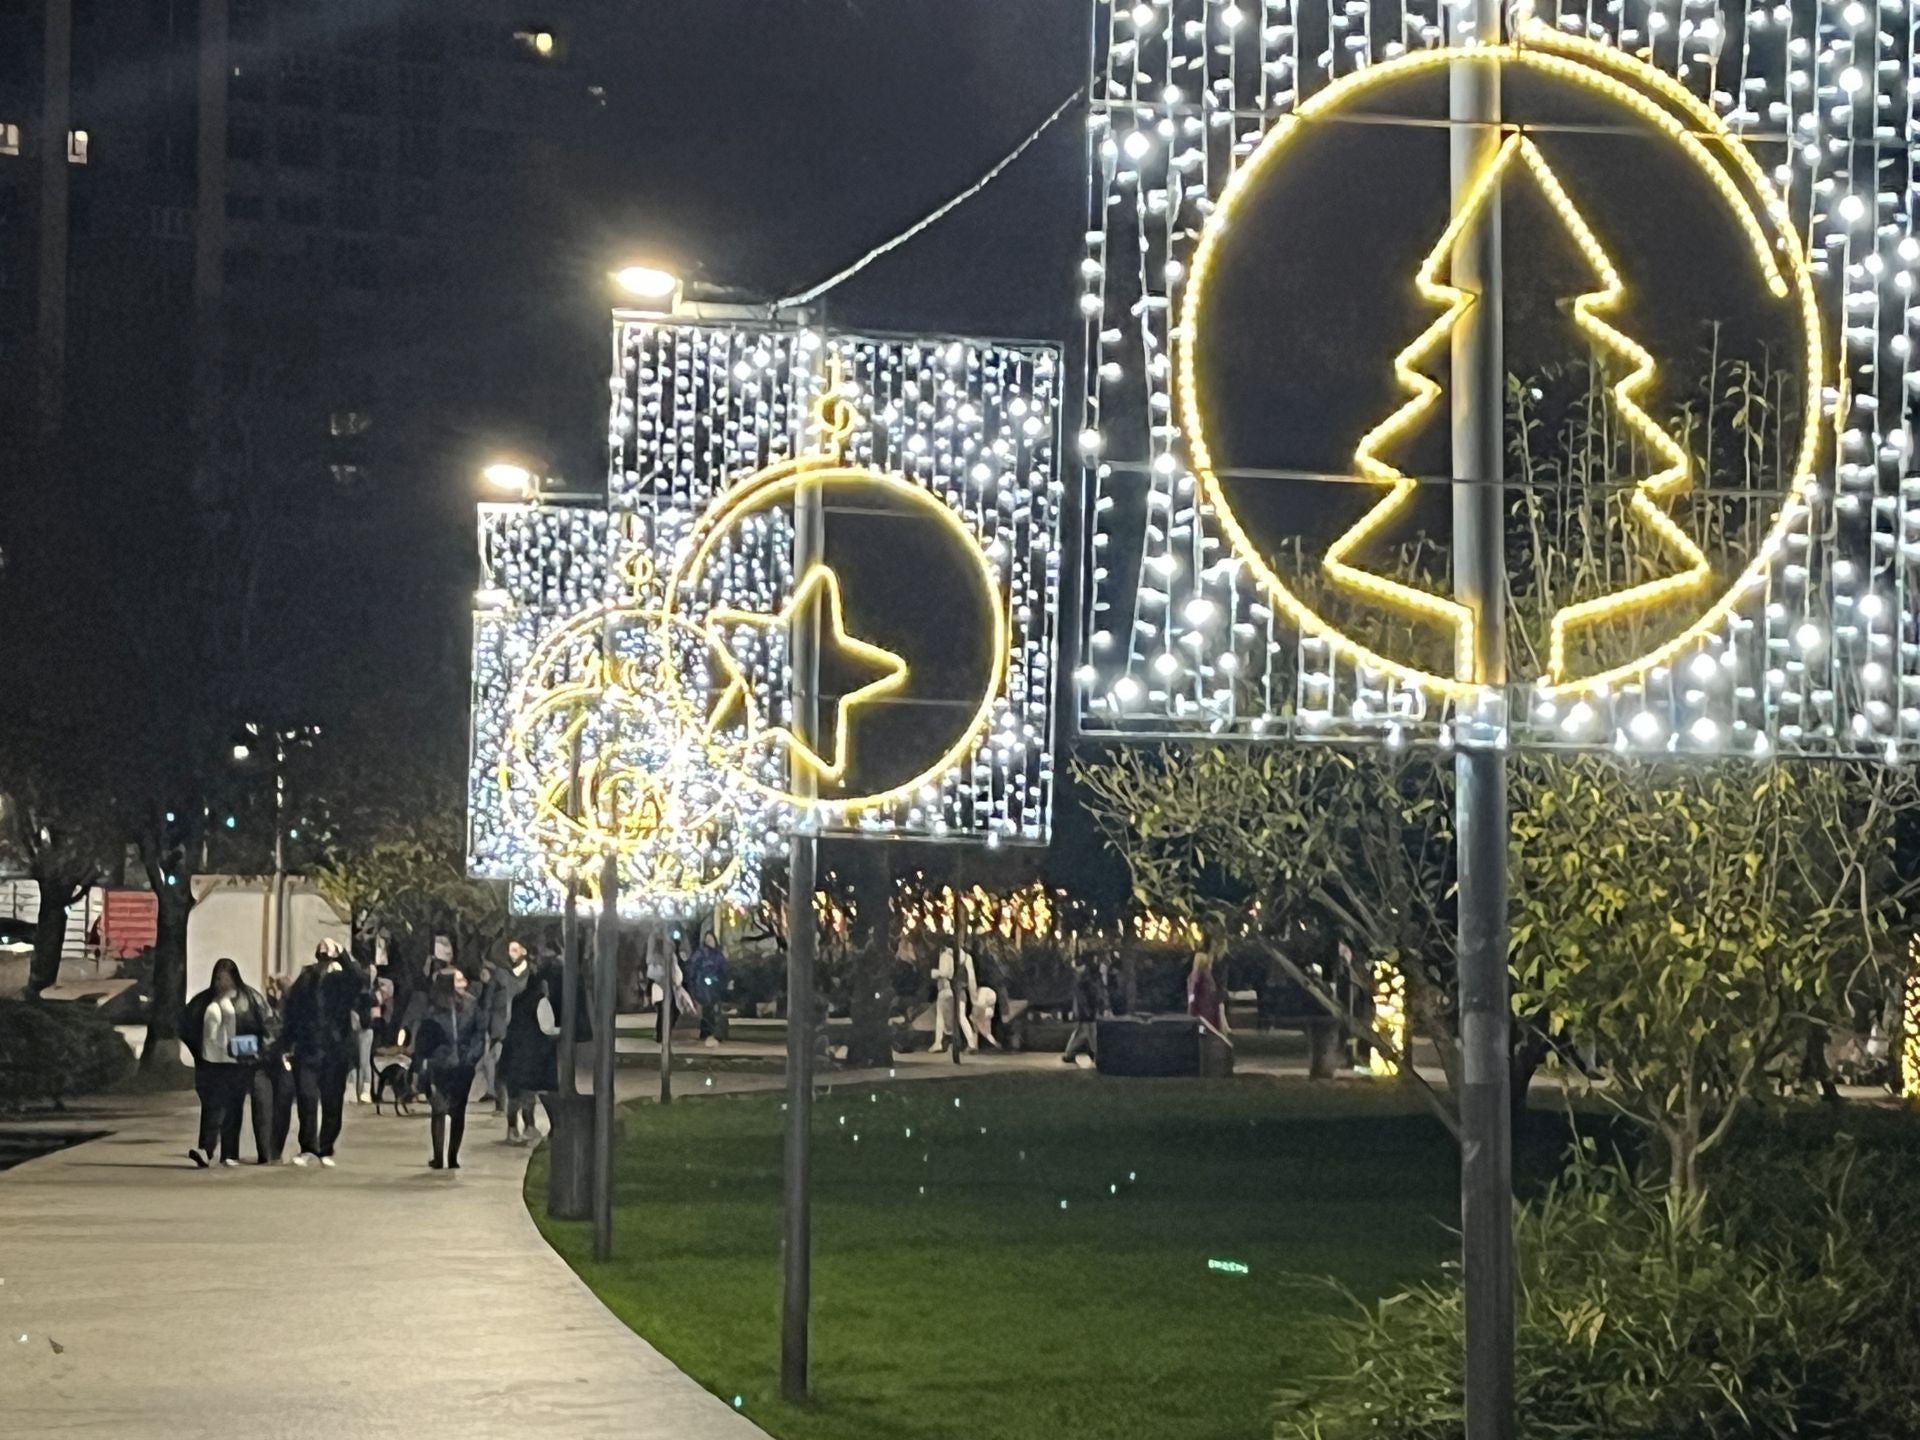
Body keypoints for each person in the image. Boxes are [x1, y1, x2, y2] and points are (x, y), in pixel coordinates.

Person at [282, 939, 367, 1167]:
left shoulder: (341, 981)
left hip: (335, 1051)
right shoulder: (306, 979)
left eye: (327, 957)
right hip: (308, 1049)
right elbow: (291, 1012)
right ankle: (308, 1147)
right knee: (307, 1098)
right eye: (321, 956)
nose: (324, 961)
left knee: (332, 1102)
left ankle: (325, 1147)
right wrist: (285, 1045)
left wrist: (342, 954)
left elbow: (360, 979)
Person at [180, 958, 269, 1168]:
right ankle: (206, 1149)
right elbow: (185, 1024)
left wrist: (258, 1051)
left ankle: (228, 1153)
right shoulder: (204, 1001)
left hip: (237, 1062)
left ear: (234, 977)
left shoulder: (250, 997)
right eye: (218, 978)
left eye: (225, 977)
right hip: (210, 1062)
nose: (220, 982)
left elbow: (268, 1024)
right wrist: (197, 1050)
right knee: (213, 1106)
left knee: (232, 1106)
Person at [411, 968, 488, 1170]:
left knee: (458, 1110)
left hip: (463, 1065)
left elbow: (479, 1034)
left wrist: (471, 1057)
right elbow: (423, 1039)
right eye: (459, 979)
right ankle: (438, 1156)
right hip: (439, 1064)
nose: (464, 983)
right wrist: (419, 1065)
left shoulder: (471, 1005)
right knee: (438, 1109)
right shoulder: (432, 1008)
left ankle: (452, 1156)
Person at [498, 964, 562, 1145]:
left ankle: (512, 1129)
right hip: (533, 1055)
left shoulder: (518, 999)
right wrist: (562, 1033)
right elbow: (547, 1028)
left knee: (514, 1094)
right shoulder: (541, 1001)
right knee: (532, 1093)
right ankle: (530, 1127)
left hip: (513, 1051)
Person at [478, 941, 531, 1112]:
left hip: (499, 1026)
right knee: (498, 1062)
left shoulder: (499, 978)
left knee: (496, 1063)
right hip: (510, 1025)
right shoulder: (513, 977)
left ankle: (501, 1101)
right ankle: (503, 1101)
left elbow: (488, 1004)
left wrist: (484, 1024)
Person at [251, 976, 296, 1164]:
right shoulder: (261, 1007)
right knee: (262, 1105)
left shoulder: (295, 1008)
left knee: (282, 1105)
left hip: (285, 1061)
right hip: (262, 1061)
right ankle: (264, 1152)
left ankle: (275, 1151)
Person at [685, 931, 730, 1046]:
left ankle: (714, 1031)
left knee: (715, 1009)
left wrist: (722, 981)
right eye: (707, 939)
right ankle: (707, 1031)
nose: (710, 942)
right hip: (703, 985)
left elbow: (724, 970)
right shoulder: (700, 954)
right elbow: (693, 968)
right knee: (707, 1008)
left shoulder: (718, 955)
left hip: (716, 985)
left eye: (711, 939)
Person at [1061, 955, 1105, 1066]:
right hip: (1087, 1009)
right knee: (1090, 1031)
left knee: (1083, 1031)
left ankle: (1071, 1053)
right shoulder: (1086, 980)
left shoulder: (1082, 978)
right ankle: (1093, 1053)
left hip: (1085, 1009)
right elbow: (1086, 996)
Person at [1188, 951, 1224, 1033]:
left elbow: (1192, 991)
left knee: (1203, 1024)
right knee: (1206, 1024)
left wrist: (1191, 1004)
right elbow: (1193, 990)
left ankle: (1203, 1035)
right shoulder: (1204, 974)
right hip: (1207, 1005)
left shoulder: (1198, 974)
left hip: (1203, 1005)